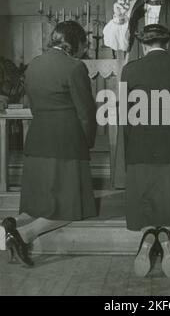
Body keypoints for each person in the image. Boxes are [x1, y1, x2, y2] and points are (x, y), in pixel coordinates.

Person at [0, 21, 97, 266]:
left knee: (38, 204)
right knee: (70, 209)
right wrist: (87, 142)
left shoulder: (33, 65)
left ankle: (10, 224)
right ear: (74, 42)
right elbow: (85, 113)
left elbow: (33, 105)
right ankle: (23, 235)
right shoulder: (75, 67)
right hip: (65, 145)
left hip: (36, 142)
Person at [121, 24, 170, 278]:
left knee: (145, 199)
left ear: (143, 44)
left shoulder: (130, 70)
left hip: (141, 146)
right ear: (169, 43)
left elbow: (124, 116)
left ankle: (148, 237)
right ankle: (166, 235)